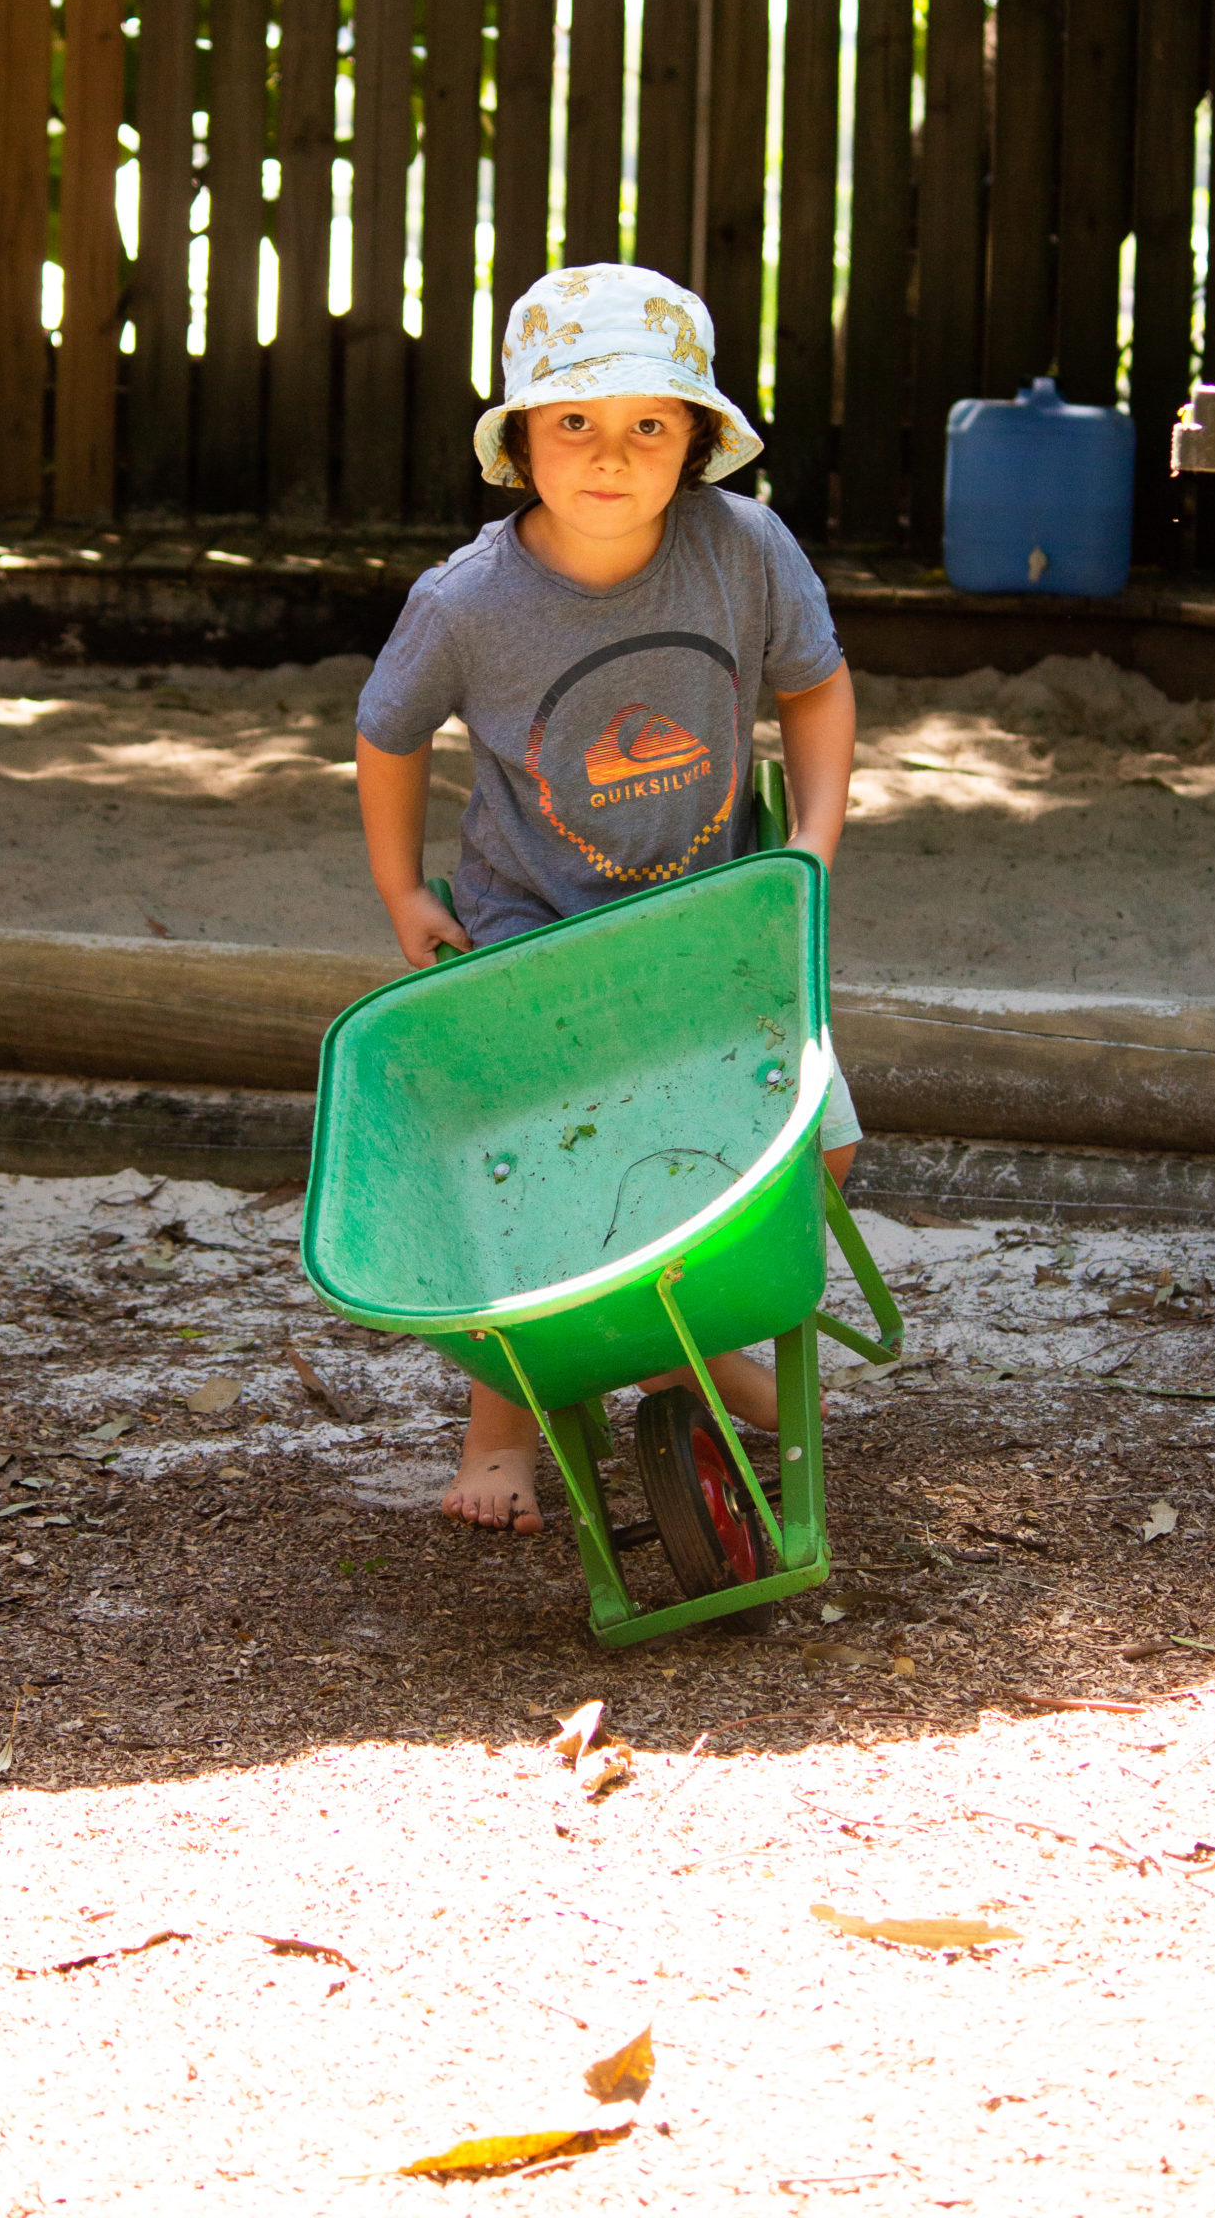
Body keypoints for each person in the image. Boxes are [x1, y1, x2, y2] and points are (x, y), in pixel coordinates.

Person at [355, 261, 860, 1533]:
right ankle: (507, 1432)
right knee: (534, 1172)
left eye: (649, 422)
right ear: (521, 438)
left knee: (824, 1137)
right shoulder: (469, 601)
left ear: (694, 440)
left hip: (714, 910)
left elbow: (816, 685)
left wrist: (810, 835)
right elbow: (387, 729)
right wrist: (401, 886)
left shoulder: (741, 549)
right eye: (574, 420)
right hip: (536, 926)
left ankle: (675, 1332)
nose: (610, 452)